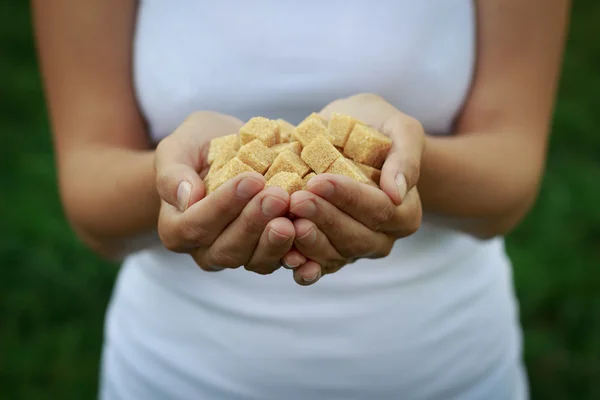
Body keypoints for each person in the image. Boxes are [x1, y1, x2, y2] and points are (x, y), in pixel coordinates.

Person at [31, 0, 569, 399]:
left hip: (450, 370)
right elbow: (89, 199)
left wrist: (404, 167)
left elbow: (510, 179)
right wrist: (175, 183)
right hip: (178, 375)